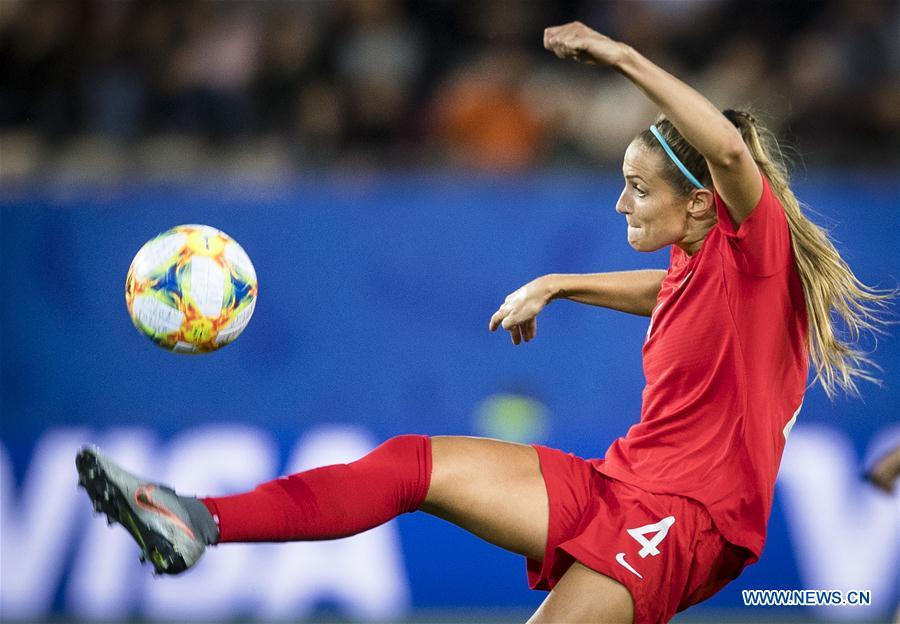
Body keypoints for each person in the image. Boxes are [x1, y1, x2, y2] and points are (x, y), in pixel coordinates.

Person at [76, 22, 892, 624]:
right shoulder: (703, 267)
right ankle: (198, 519)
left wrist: (621, 59)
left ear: (701, 205)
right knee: (410, 466)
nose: (620, 202)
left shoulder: (756, 247)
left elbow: (729, 152)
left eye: (639, 188)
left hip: (686, 519)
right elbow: (664, 292)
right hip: (625, 484)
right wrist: (560, 283)